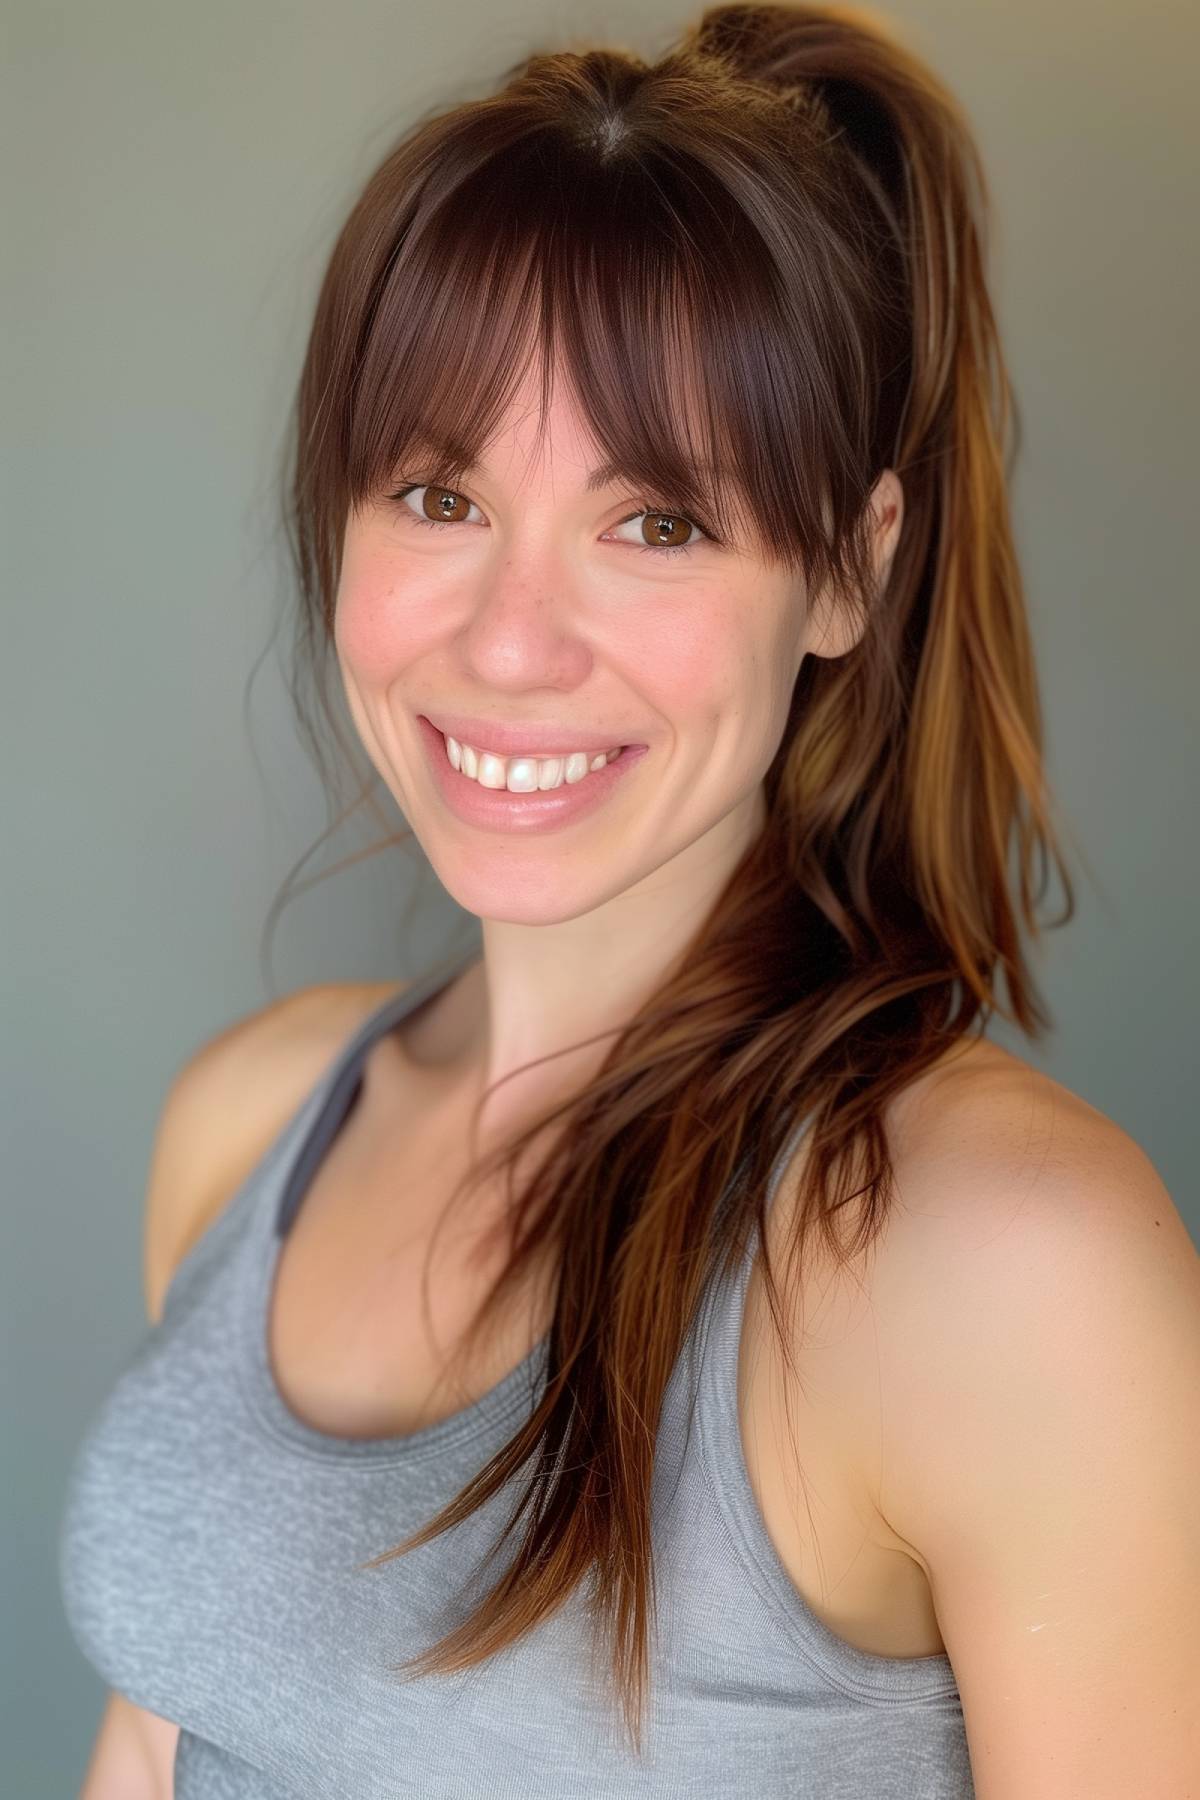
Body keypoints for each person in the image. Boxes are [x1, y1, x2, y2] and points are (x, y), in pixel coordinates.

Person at [59, 3, 1199, 1796]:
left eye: (655, 519)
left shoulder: (1003, 1261)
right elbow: (167, 1737)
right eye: (436, 494)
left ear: (850, 571)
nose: (509, 639)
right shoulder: (251, 1124)